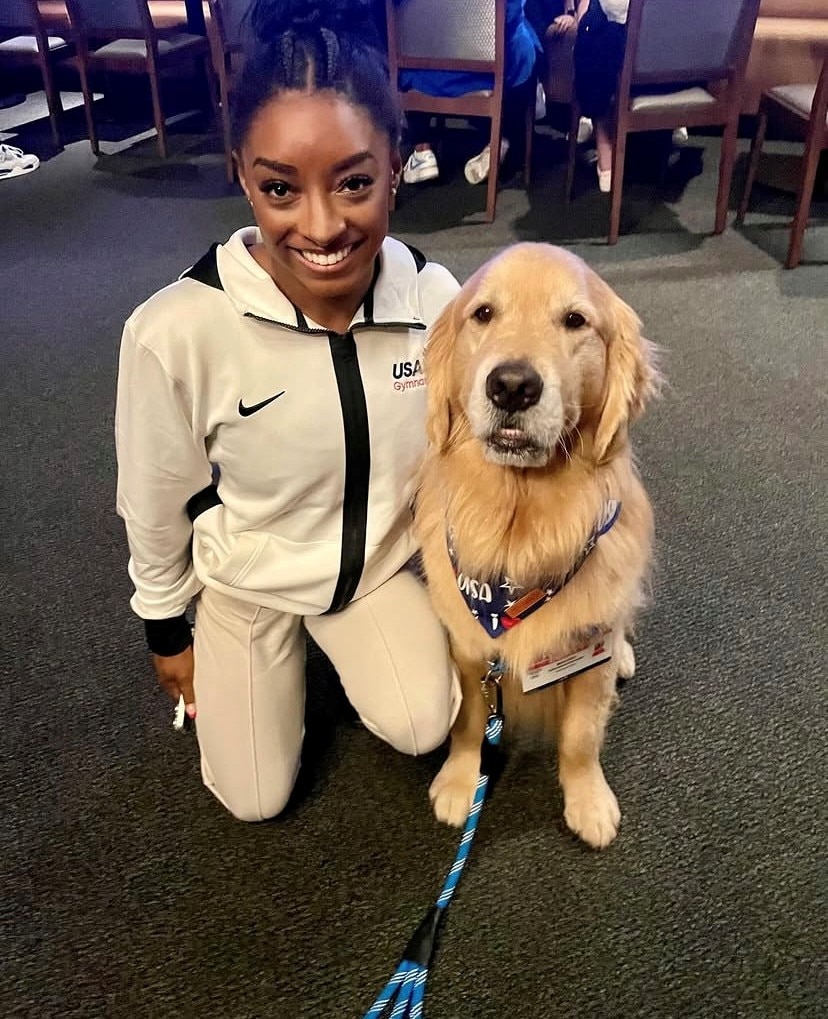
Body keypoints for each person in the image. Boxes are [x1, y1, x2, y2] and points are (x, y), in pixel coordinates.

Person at [115, 0, 462, 823]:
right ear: (243, 174)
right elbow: (155, 498)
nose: (320, 226)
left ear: (397, 166)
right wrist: (167, 629)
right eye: (280, 187)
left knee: (426, 723)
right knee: (255, 799)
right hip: (250, 580)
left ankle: (338, 646)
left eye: (353, 182)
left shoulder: (434, 299)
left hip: (374, 568)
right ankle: (259, 649)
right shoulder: (176, 330)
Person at [396, 0, 542, 186]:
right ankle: (501, 139)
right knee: (524, 51)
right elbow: (511, 18)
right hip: (487, 76)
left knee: (405, 50)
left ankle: (421, 149)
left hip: (425, 73)